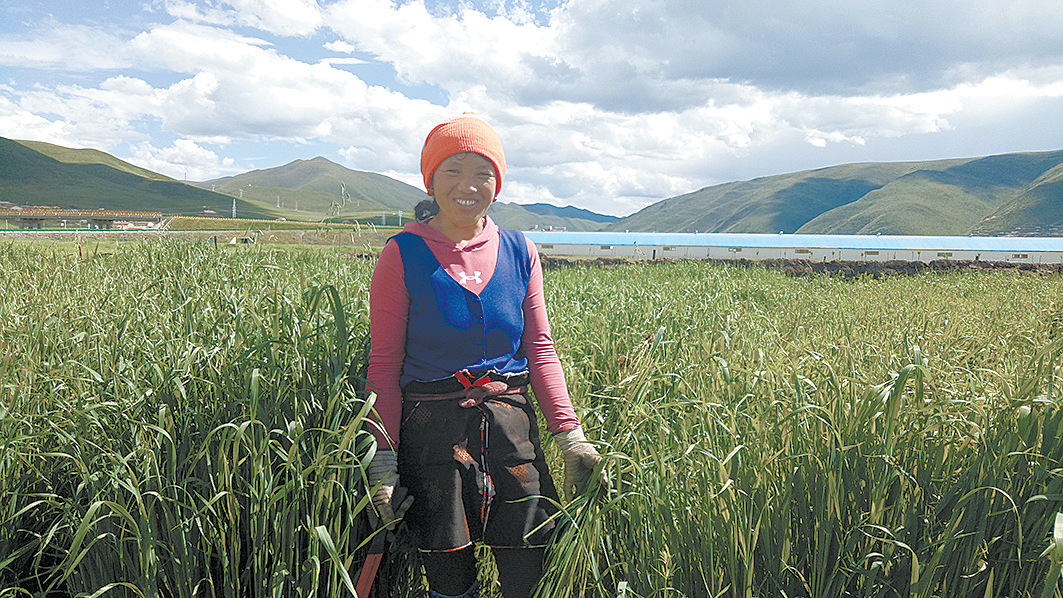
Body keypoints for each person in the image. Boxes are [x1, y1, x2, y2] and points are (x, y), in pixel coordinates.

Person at [364, 114, 606, 598]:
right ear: (430, 180)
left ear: (498, 182)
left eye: (482, 172)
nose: (468, 185)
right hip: (432, 440)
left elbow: (540, 349)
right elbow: (385, 365)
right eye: (452, 170)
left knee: (529, 571)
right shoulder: (403, 253)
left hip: (511, 433)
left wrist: (571, 439)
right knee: (450, 581)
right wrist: (382, 462)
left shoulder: (520, 250)